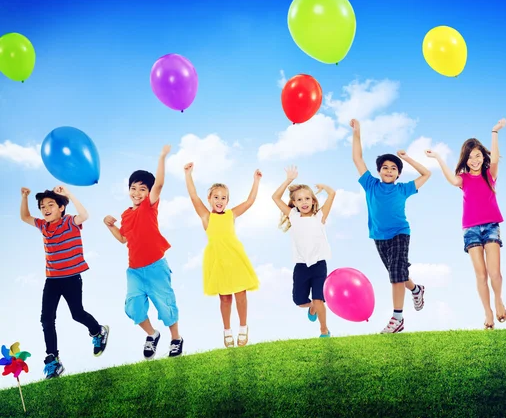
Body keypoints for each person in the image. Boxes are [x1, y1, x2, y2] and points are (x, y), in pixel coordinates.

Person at [425, 118, 506, 329]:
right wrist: (437, 158)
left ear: (483, 157)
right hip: (470, 229)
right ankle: (487, 312)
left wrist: (494, 132)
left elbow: (495, 158)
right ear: (465, 159)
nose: (475, 160)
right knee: (481, 274)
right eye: (470, 157)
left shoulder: (490, 174)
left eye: (478, 156)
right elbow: (450, 179)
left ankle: (498, 300)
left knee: (494, 272)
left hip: (491, 226)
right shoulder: (463, 179)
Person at [350, 119, 430, 334]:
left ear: (398, 174)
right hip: (379, 236)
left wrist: (406, 157)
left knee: (395, 274)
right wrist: (357, 132)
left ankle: (397, 318)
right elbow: (357, 158)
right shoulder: (370, 184)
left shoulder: (404, 189)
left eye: (393, 168)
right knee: (399, 274)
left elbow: (426, 174)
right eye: (384, 167)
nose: (388, 170)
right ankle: (416, 289)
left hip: (400, 233)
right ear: (378, 171)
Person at [104, 145, 183, 359]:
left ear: (148, 193)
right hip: (135, 271)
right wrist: (110, 225)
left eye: (142, 189)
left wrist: (162, 156)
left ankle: (176, 339)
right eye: (133, 188)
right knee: (133, 308)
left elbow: (160, 184)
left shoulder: (149, 207)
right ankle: (152, 334)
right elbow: (123, 239)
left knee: (166, 307)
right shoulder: (126, 214)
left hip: (156, 266)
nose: (137, 193)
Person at [21, 185, 108, 379]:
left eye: (51, 204)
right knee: (46, 319)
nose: (45, 209)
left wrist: (68, 194)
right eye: (42, 206)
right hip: (52, 280)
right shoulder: (43, 226)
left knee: (77, 314)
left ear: (61, 208)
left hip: (71, 278)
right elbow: (25, 217)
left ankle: (98, 332)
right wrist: (25, 197)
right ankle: (53, 360)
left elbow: (84, 215)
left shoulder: (70, 221)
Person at [184, 162, 261, 348]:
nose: (220, 200)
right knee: (225, 298)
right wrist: (188, 174)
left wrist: (256, 180)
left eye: (224, 198)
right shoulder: (206, 216)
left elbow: (250, 202)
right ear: (209, 198)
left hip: (235, 258)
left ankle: (243, 327)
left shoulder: (231, 214)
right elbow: (193, 196)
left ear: (227, 201)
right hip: (217, 260)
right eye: (216, 197)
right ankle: (227, 330)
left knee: (241, 294)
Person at [272, 165, 336, 338]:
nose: (304, 202)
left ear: (314, 201)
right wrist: (289, 180)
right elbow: (275, 197)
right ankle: (313, 307)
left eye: (307, 198)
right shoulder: (293, 215)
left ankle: (324, 329)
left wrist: (324, 188)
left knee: (318, 299)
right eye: (299, 200)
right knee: (300, 301)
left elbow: (332, 194)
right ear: (294, 203)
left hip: (319, 265)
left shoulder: (319, 217)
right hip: (301, 266)